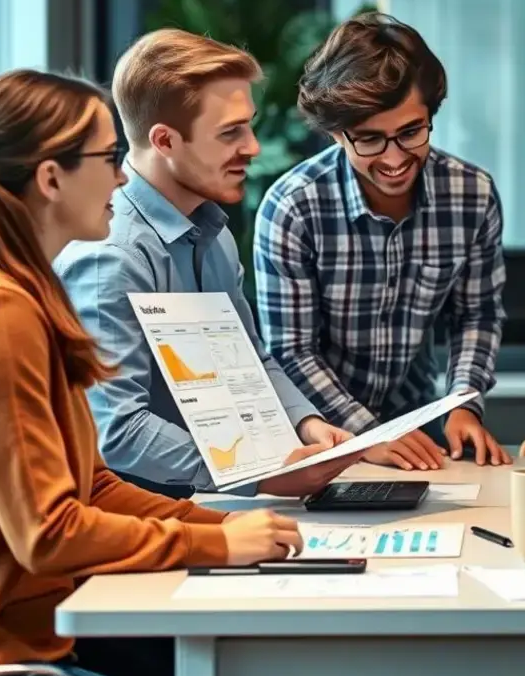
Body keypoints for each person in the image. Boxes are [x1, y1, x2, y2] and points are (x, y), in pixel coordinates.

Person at [0, 70, 302, 675]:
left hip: (24, 645)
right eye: (107, 158)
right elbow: (49, 533)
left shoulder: (23, 293)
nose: (124, 175)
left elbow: (90, 485)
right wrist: (218, 543)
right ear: (51, 179)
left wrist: (226, 524)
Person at [57, 30, 357, 500]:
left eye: (249, 126)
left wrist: (307, 424)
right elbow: (116, 428)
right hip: (128, 519)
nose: (253, 147)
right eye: (230, 132)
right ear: (165, 140)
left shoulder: (212, 235)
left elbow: (250, 361)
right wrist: (259, 475)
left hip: (204, 503)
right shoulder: (110, 257)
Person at [254, 12, 510, 471]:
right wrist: (366, 435)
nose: (394, 159)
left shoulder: (472, 195)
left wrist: (463, 401)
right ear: (336, 132)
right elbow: (291, 349)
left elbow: (477, 313)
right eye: (370, 140)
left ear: (431, 114)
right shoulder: (293, 207)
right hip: (318, 433)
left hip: (416, 422)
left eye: (411, 132)